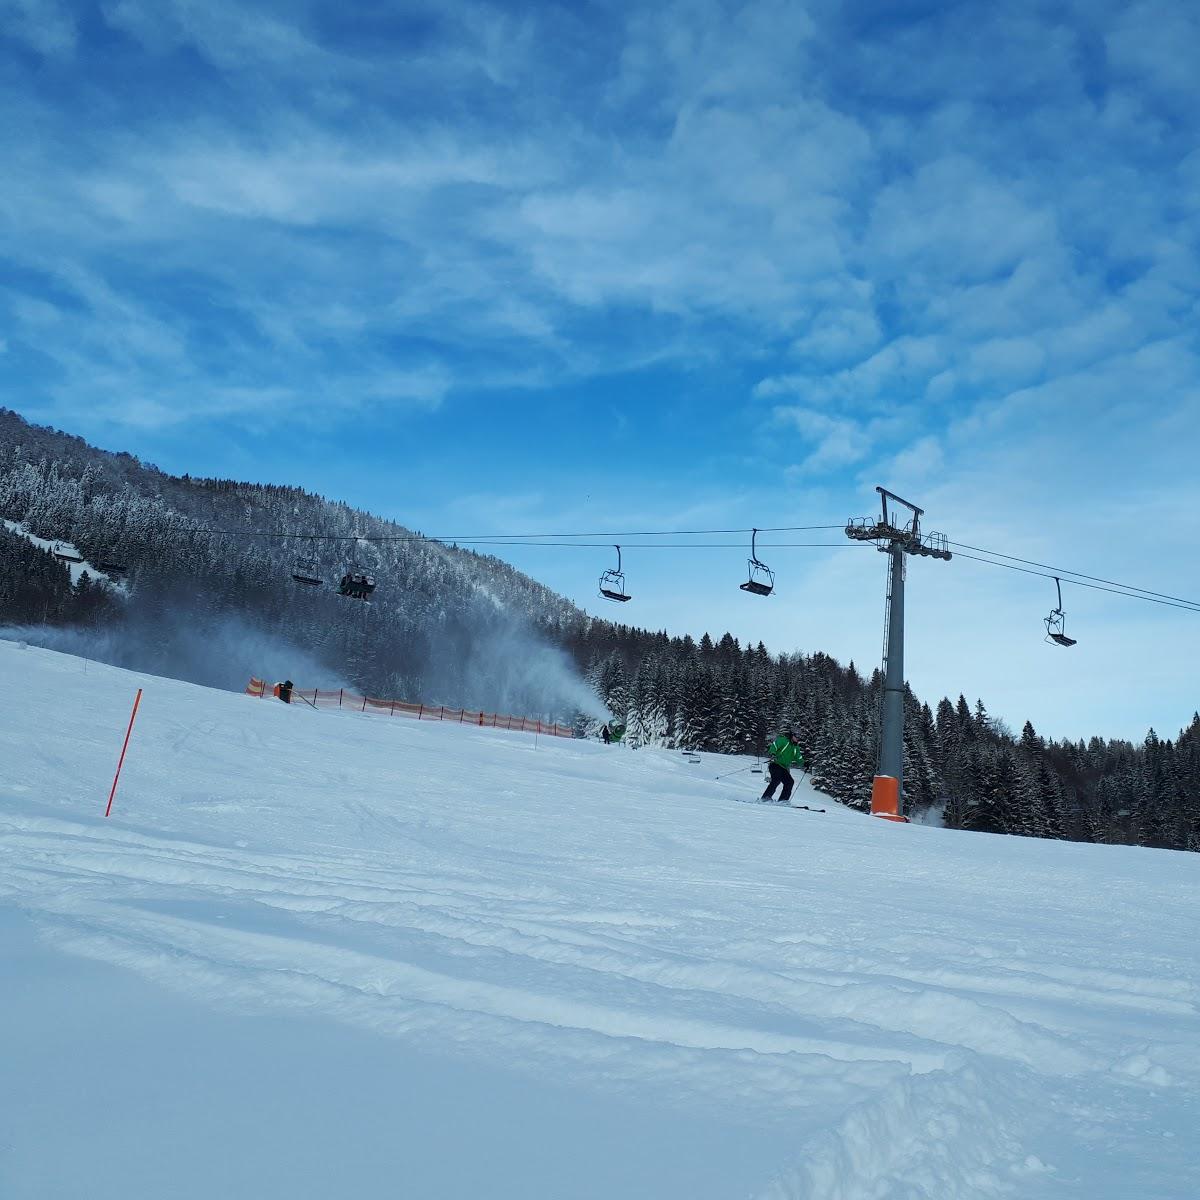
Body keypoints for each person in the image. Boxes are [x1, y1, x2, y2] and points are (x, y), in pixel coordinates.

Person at [761, 728, 803, 803]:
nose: (798, 738)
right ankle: (765, 798)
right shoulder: (783, 740)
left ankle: (783, 800)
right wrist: (773, 753)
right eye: (796, 736)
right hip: (775, 764)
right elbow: (774, 746)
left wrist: (804, 763)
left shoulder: (795, 747)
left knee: (789, 782)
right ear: (792, 735)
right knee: (776, 779)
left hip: (784, 767)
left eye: (799, 736)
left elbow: (798, 758)